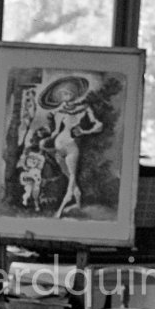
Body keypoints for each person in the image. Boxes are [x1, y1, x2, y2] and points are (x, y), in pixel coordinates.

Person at [37, 75, 103, 218]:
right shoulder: (59, 112)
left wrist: (85, 131)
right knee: (69, 177)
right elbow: (55, 132)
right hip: (58, 149)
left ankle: (61, 207)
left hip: (71, 147)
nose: (64, 96)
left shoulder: (84, 109)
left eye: (67, 93)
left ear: (74, 94)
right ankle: (77, 203)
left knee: (72, 176)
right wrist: (45, 140)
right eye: (62, 94)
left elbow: (99, 125)